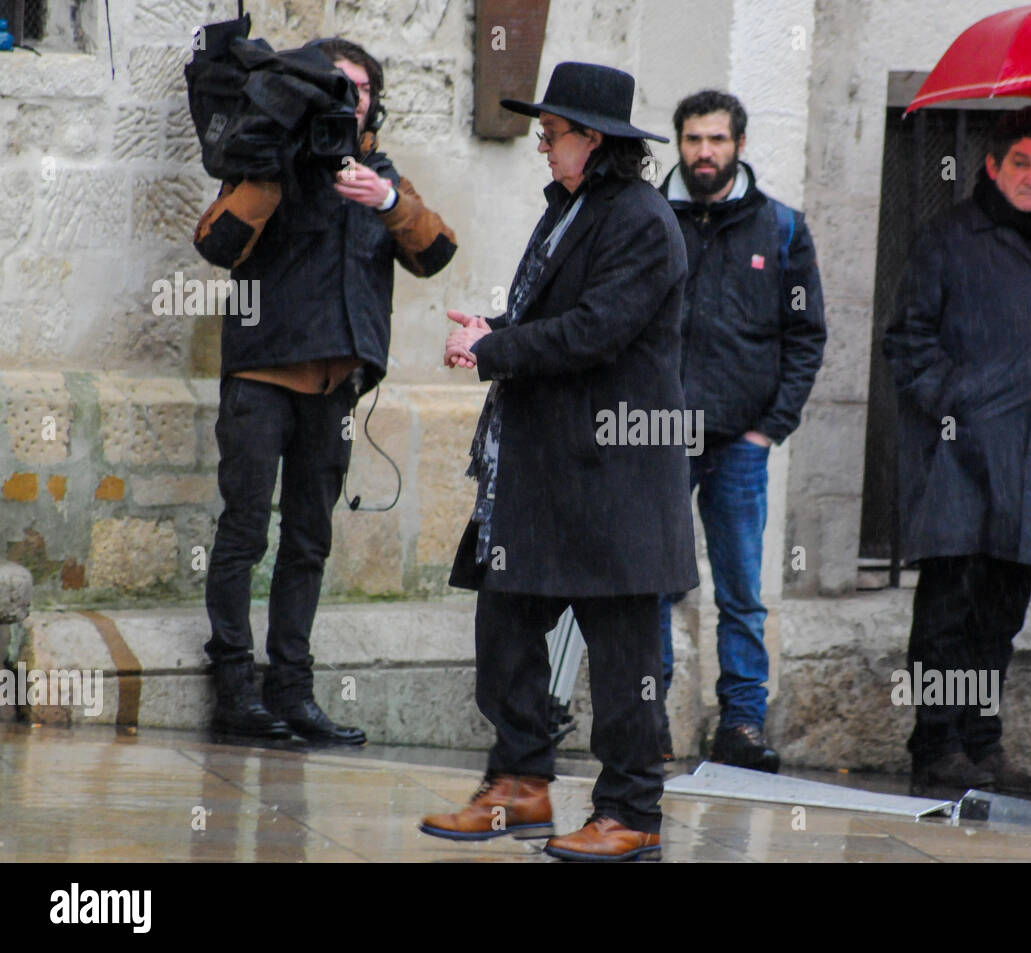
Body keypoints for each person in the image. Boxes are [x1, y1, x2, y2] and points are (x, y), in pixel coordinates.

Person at [419, 62, 696, 862]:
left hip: (613, 472)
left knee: (624, 659)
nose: (542, 145)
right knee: (504, 625)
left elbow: (596, 331)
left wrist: (491, 348)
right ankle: (519, 784)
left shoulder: (643, 220)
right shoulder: (571, 208)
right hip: (541, 468)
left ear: (593, 139)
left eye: (552, 134)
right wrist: (497, 324)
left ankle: (631, 810)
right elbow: (557, 317)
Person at [193, 38, 458, 744]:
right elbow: (215, 244)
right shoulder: (269, 152)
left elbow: (436, 252)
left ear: (375, 103)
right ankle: (233, 687)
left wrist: (390, 201)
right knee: (245, 531)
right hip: (261, 376)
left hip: (336, 386)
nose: (350, 98)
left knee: (309, 539)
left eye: (362, 89)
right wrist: (273, 170)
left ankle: (293, 691)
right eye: (336, 85)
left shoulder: (378, 171)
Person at [883, 106, 1031, 796]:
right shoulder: (948, 238)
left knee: (1000, 618)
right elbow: (906, 340)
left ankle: (981, 746)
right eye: (1022, 164)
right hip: (960, 461)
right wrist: (960, 402)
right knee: (948, 612)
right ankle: (936, 744)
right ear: (992, 165)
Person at [655, 90, 825, 772]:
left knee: (741, 593)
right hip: (660, 435)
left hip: (739, 444)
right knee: (654, 586)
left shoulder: (780, 227)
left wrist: (768, 428)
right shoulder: (651, 217)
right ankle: (649, 720)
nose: (704, 152)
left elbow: (806, 335)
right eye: (694, 139)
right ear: (680, 143)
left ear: (740, 144)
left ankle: (743, 726)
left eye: (717, 140)